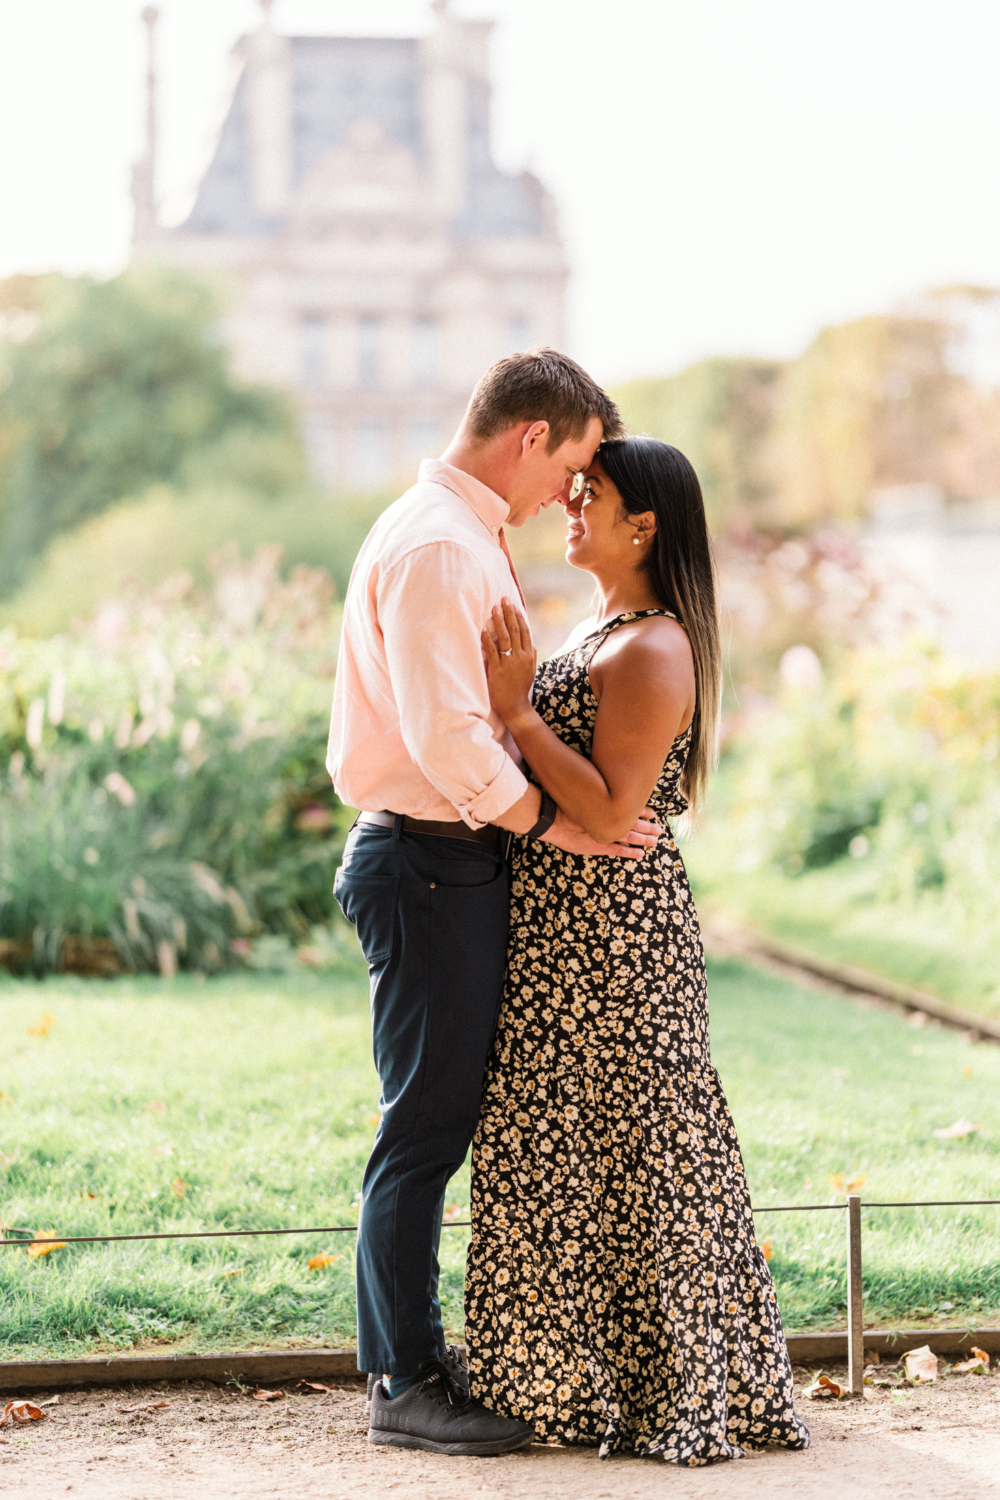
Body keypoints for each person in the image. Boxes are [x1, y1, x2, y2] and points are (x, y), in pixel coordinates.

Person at [328, 350, 660, 1457]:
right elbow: (442, 737)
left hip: (443, 860)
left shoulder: (457, 536)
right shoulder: (436, 545)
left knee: (433, 1121)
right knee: (421, 1129)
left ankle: (413, 1356)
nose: (570, 490)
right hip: (427, 857)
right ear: (531, 437)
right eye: (571, 464)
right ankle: (402, 1381)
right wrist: (555, 825)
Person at [465, 436, 811, 1466]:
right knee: (559, 1150)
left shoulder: (654, 647)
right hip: (563, 930)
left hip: (617, 942)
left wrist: (519, 714)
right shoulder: (604, 627)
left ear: (643, 524)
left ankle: (671, 1394)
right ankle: (569, 1388)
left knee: (636, 1157)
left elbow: (616, 804)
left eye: (592, 497)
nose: (570, 509)